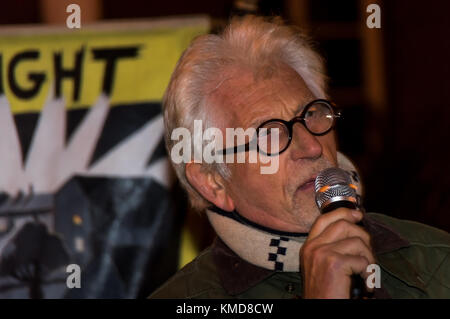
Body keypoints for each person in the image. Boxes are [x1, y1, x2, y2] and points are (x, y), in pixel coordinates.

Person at [150, 15, 450, 299]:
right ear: (213, 182)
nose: (312, 147)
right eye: (268, 133)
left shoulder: (438, 261)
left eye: (313, 114)